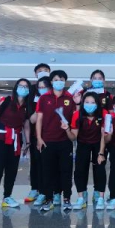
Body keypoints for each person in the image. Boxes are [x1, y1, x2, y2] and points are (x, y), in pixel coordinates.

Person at [0, 80, 31, 211]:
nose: (23, 88)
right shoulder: (7, 101)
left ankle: (7, 197)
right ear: (16, 87)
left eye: (26, 86)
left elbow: (26, 126)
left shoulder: (27, 106)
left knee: (12, 171)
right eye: (21, 86)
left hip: (15, 141)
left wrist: (27, 143)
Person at [35, 70, 76, 211]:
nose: (59, 82)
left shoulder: (70, 98)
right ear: (51, 81)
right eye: (56, 79)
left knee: (66, 171)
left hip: (65, 141)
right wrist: (39, 138)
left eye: (62, 79)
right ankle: (49, 199)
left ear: (65, 82)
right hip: (47, 141)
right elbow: (39, 120)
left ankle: (67, 199)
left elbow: (75, 119)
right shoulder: (44, 98)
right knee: (48, 171)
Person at [66, 92, 108, 210]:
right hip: (83, 144)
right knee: (80, 170)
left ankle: (100, 196)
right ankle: (81, 197)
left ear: (97, 104)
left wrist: (101, 153)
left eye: (92, 102)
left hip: (98, 143)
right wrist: (67, 129)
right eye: (87, 102)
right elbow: (73, 137)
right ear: (83, 103)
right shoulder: (77, 115)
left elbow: (103, 135)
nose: (89, 105)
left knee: (100, 168)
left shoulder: (103, 113)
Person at [25, 63, 51, 203]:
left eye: (46, 70)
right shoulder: (32, 91)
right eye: (40, 71)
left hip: (52, 134)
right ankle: (35, 188)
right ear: (35, 74)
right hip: (36, 134)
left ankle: (48, 191)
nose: (43, 72)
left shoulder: (54, 89)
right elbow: (30, 118)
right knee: (36, 163)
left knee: (49, 164)